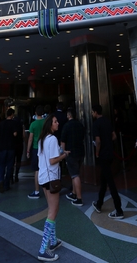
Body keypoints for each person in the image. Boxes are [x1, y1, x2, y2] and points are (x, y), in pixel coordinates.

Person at [37, 114, 69, 262]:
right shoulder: (53, 139)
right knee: (53, 211)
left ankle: (53, 241)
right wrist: (64, 156)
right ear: (50, 125)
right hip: (52, 179)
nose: (57, 123)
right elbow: (53, 160)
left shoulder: (42, 139)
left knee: (51, 209)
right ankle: (43, 249)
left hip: (43, 178)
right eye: (55, 122)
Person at [91, 104, 124, 219]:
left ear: (95, 112)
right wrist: (108, 141)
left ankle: (119, 209)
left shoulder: (96, 124)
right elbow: (114, 136)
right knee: (104, 179)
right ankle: (99, 203)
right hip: (110, 153)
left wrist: (97, 152)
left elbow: (98, 141)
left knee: (110, 181)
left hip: (103, 155)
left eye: (92, 112)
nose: (92, 113)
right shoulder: (108, 121)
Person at [61, 107, 85, 206]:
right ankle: (74, 194)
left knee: (75, 175)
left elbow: (63, 141)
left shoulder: (66, 126)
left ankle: (79, 198)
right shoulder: (80, 125)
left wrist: (63, 153)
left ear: (69, 115)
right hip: (80, 152)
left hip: (71, 153)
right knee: (75, 173)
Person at [0, 108, 18, 193]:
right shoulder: (14, 123)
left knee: (2, 166)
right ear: (12, 114)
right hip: (11, 147)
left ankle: (0, 181)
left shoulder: (1, 123)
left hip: (2, 147)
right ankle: (6, 184)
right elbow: (15, 134)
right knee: (9, 166)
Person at [27, 105, 45, 199]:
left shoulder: (33, 124)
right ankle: (48, 190)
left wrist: (28, 150)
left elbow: (30, 139)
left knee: (37, 170)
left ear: (35, 113)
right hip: (45, 148)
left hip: (35, 148)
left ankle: (37, 191)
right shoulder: (46, 123)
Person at [12, 114, 25, 183]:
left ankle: (11, 176)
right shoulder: (21, 126)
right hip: (20, 145)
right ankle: (16, 174)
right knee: (18, 160)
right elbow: (23, 136)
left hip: (13, 145)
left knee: (12, 160)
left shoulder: (12, 125)